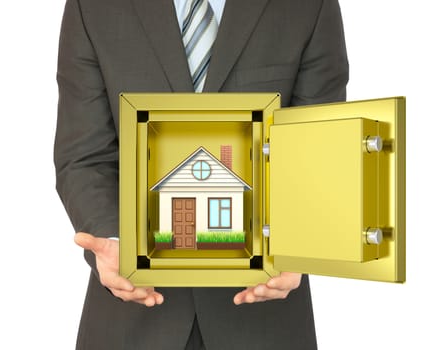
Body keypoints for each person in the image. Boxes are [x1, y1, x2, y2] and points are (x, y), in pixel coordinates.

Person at [54, 0, 348, 348]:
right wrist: (114, 244)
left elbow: (318, 152)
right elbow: (85, 155)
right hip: (132, 322)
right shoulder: (93, 6)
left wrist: (296, 245)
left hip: (264, 319)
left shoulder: (308, 6)